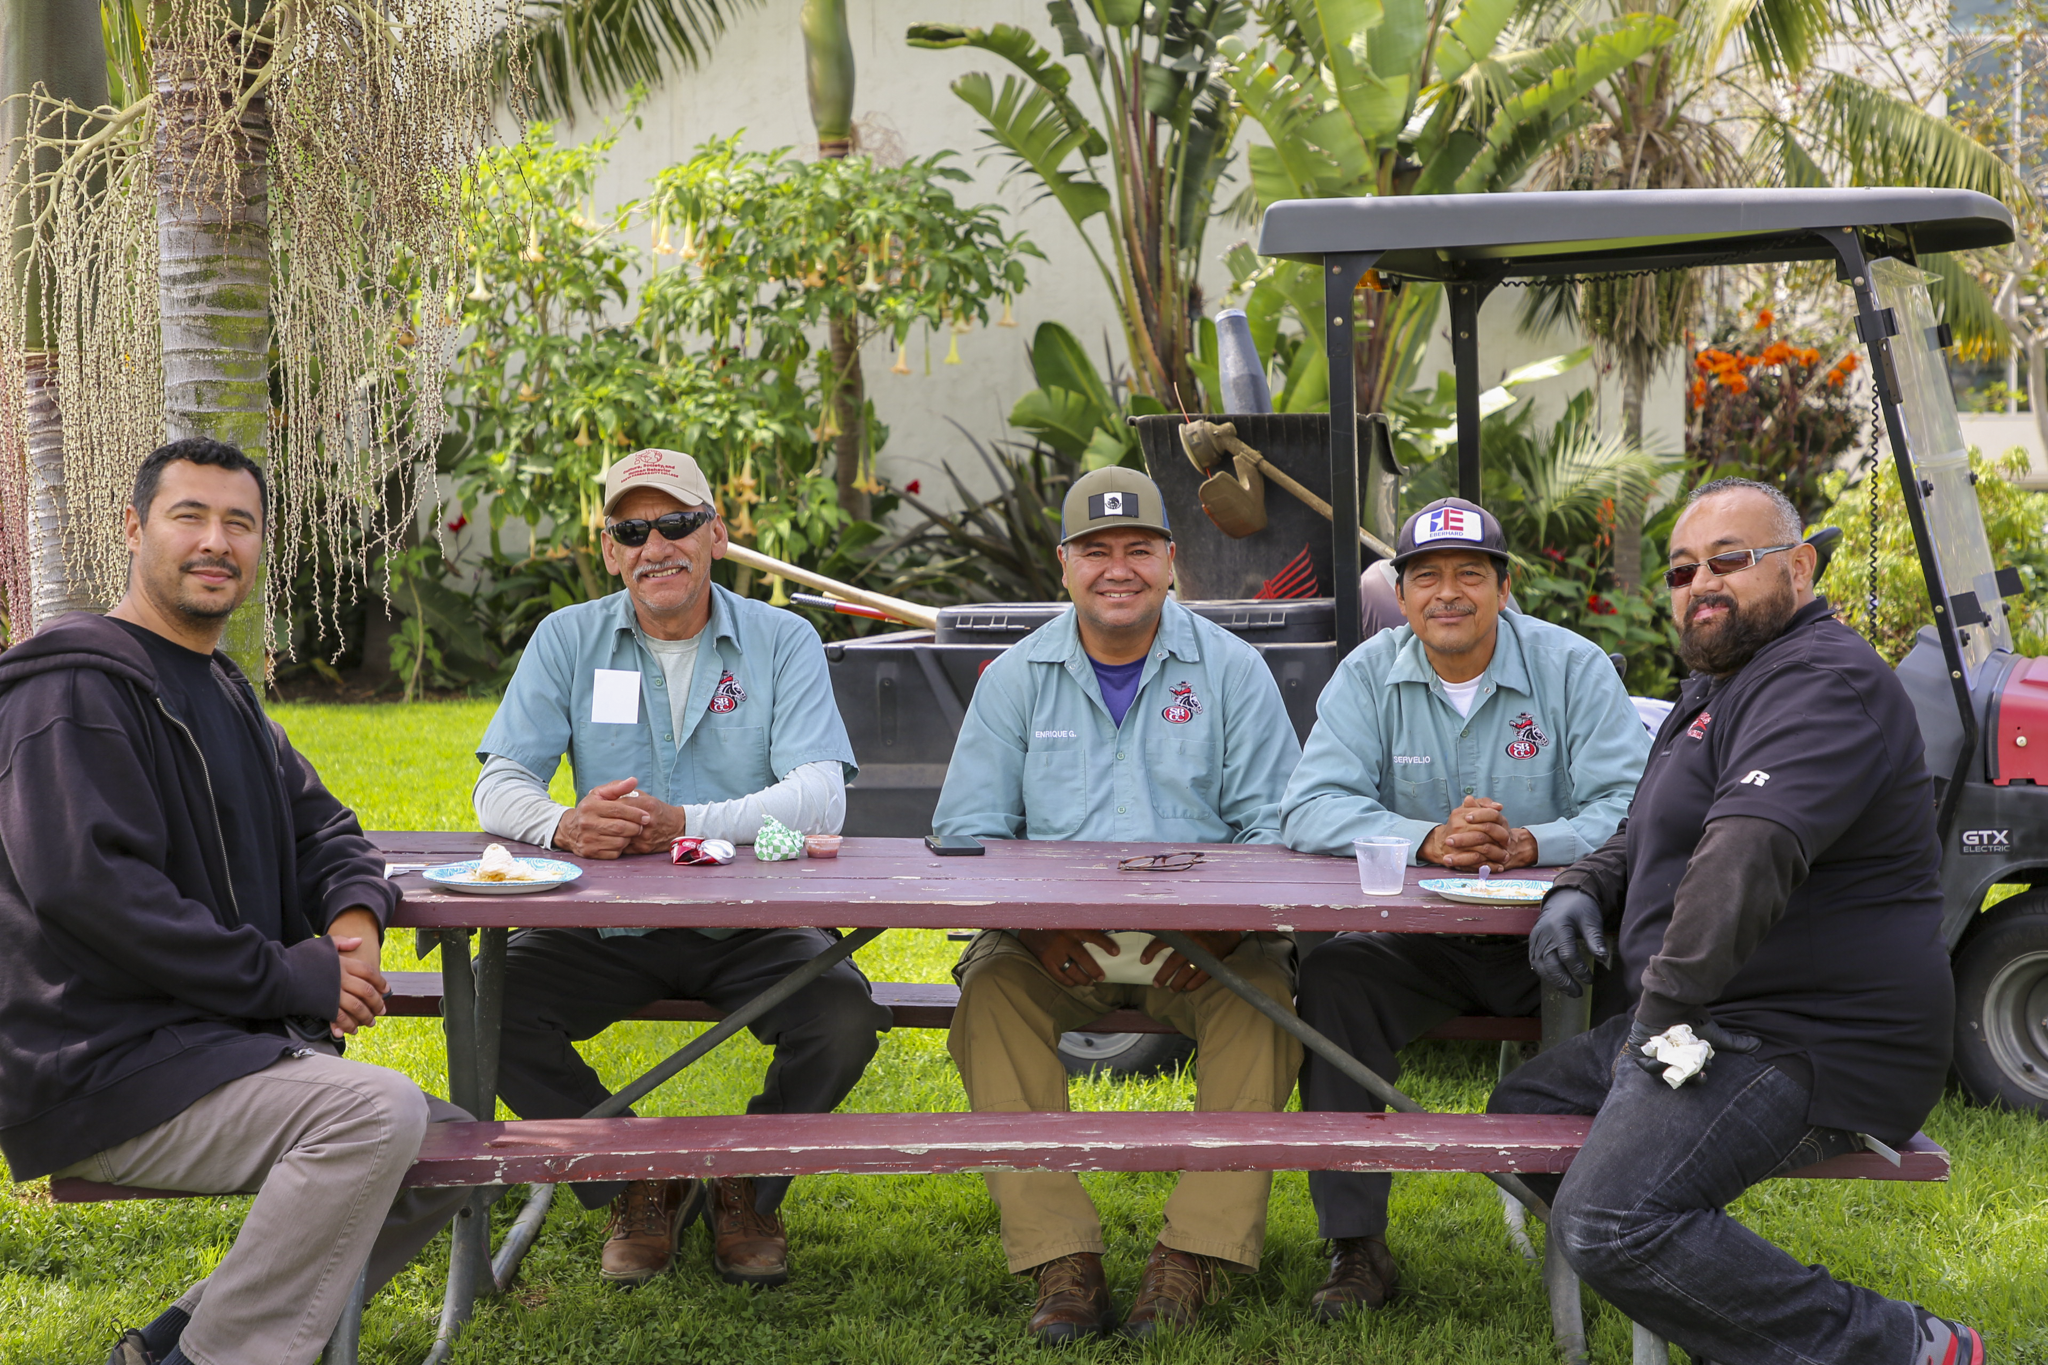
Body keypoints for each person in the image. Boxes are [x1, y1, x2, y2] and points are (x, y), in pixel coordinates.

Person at [0, 439, 469, 1365]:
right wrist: (297, 977)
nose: (216, 541)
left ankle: (176, 1342)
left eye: (239, 523)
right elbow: (98, 897)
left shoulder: (222, 690)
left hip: (206, 1044)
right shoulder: (74, 690)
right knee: (373, 1117)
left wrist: (351, 930)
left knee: (450, 1149)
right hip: (106, 1066)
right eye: (190, 517)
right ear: (135, 530)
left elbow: (327, 830)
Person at [1493, 478, 1982, 1364]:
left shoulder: (1820, 682)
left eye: (1729, 560)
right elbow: (1647, 828)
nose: (1700, 584)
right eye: (1683, 571)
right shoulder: (1719, 683)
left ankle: (1900, 1346)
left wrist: (1655, 1023)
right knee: (1522, 1111)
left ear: (1798, 567)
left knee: (1607, 1218)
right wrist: (1581, 884)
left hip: (1809, 1037)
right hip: (1713, 1020)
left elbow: (1746, 852)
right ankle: (1718, 1301)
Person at [474, 448, 889, 1290]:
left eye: (677, 522)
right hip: (604, 924)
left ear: (718, 534)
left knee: (842, 1015)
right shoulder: (568, 638)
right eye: (633, 528)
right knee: (489, 1006)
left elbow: (820, 796)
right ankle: (636, 1178)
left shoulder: (783, 639)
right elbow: (498, 781)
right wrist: (563, 822)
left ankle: (747, 1182)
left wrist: (685, 825)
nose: (656, 544)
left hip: (756, 919)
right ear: (610, 549)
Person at [932, 467, 1305, 1343]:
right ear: (1063, 566)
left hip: (1209, 946)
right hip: (1050, 944)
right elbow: (967, 831)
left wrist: (1210, 926)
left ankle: (1193, 1256)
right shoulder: (1015, 677)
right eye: (1096, 551)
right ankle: (1061, 1256)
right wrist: (1036, 923)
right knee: (990, 997)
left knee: (1266, 1004)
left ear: (1172, 560)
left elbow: (1279, 831)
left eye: (1139, 548)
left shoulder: (1233, 670)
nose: (1118, 568)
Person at [1279, 496, 1649, 1320]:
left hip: (1557, 936)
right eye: (1427, 577)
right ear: (1402, 595)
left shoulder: (1573, 666)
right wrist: (1427, 838)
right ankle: (1355, 1243)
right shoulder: (1368, 673)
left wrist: (1533, 842)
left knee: (1647, 981)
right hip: (1424, 945)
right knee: (1335, 974)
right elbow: (1307, 806)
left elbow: (1635, 805)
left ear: (1504, 587)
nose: (1449, 593)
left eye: (1469, 574)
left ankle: (1624, 1222)